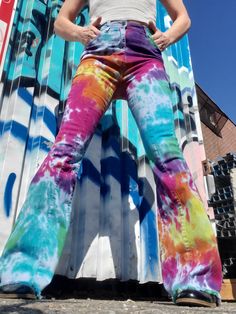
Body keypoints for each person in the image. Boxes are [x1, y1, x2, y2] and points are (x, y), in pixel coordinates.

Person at [0, 0, 222, 307]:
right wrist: (81, 32)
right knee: (64, 150)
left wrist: (167, 37)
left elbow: (182, 18)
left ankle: (194, 279)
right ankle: (21, 270)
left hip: (145, 54)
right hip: (99, 51)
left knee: (167, 156)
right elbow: (61, 21)